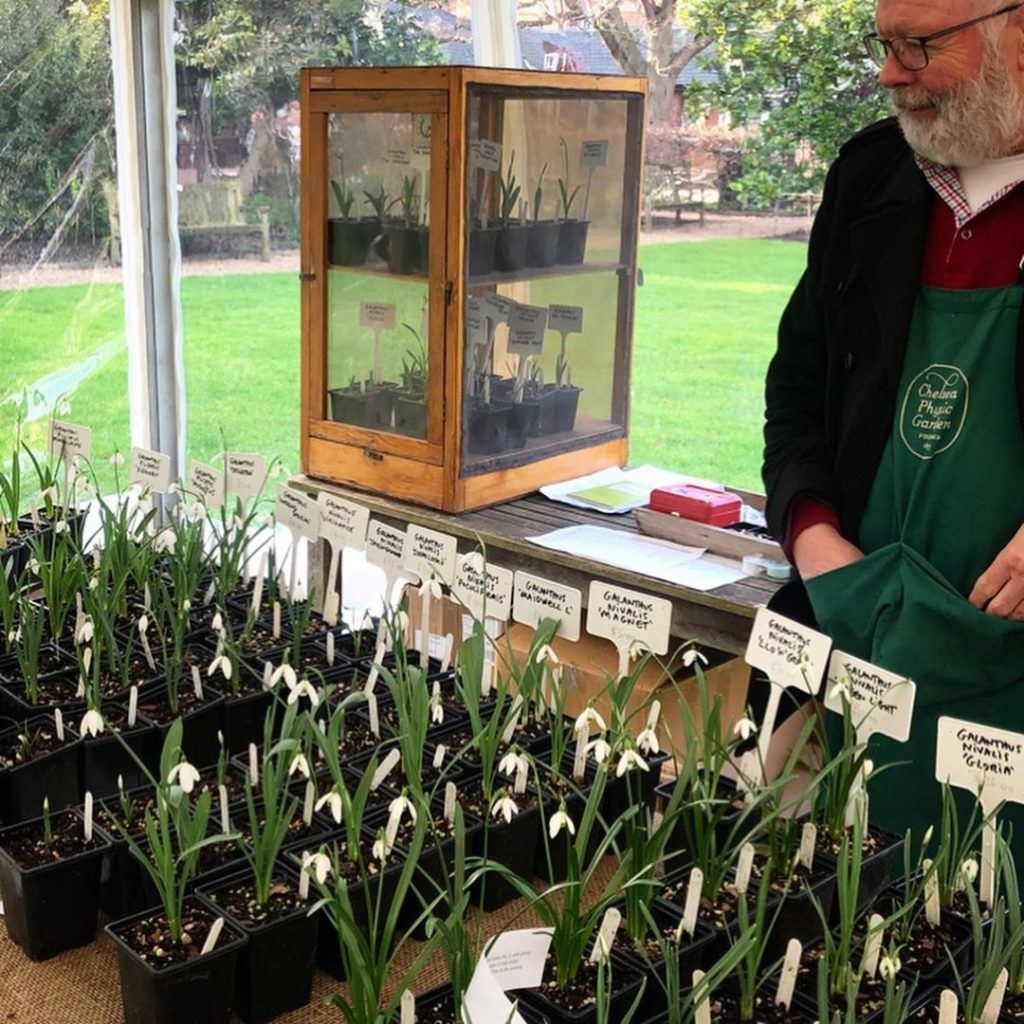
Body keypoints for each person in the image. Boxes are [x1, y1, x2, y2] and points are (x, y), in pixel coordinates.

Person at [761, 0, 1024, 853]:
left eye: (918, 45)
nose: (887, 73)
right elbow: (797, 388)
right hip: (863, 628)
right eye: (883, 43)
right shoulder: (870, 179)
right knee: (857, 923)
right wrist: (810, 531)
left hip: (1012, 663)